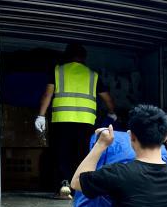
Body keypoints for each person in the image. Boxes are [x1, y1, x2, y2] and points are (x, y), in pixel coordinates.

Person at [37, 43, 117, 199]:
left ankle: (63, 185)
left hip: (61, 120)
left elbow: (47, 94)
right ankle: (80, 187)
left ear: (67, 56)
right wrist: (112, 112)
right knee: (82, 153)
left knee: (62, 153)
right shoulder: (93, 75)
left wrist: (41, 115)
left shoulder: (58, 71)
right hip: (86, 122)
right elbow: (107, 98)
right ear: (84, 58)